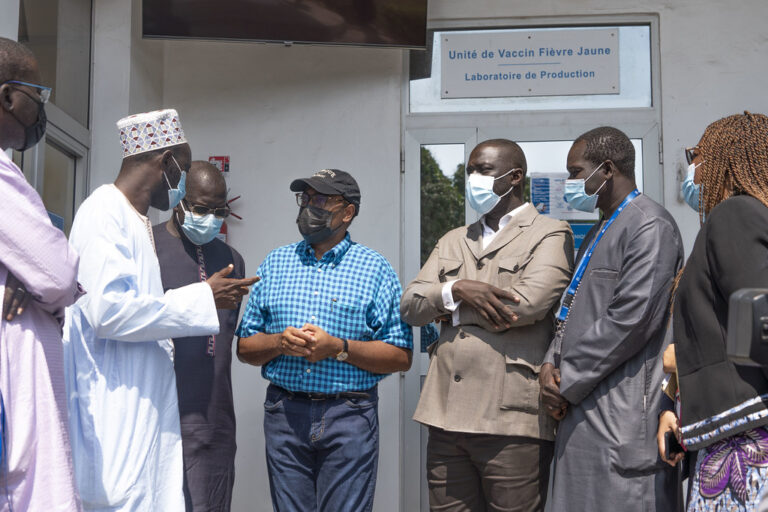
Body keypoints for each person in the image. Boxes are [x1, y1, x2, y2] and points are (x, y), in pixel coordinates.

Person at [63, 109, 258, 511]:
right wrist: (203, 297)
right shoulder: (103, 213)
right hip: (114, 410)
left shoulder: (133, 221)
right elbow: (109, 312)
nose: (182, 182)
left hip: (144, 411)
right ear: (165, 162)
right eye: (183, 170)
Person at [400, 139, 573, 511]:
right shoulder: (454, 239)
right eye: (469, 171)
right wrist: (458, 288)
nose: (473, 178)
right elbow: (410, 306)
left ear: (514, 177)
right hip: (445, 415)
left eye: (483, 170)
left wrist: (451, 308)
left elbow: (526, 305)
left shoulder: (550, 232)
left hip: (510, 419)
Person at [236, 169, 413, 512]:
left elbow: (400, 355)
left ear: (347, 212)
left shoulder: (375, 269)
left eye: (320, 199)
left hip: (349, 414)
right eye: (305, 199)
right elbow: (245, 348)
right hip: (285, 412)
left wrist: (340, 348)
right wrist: (279, 343)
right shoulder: (276, 262)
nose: (308, 207)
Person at [539, 126, 683, 511]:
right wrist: (549, 365)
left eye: (575, 172)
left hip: (619, 418)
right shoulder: (600, 229)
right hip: (583, 411)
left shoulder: (650, 225)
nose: (570, 182)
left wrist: (566, 378)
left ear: (605, 169)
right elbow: (570, 310)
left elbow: (631, 321)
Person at [665, 112, 768, 511]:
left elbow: (759, 322)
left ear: (727, 156)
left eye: (697, 154)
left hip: (748, 440)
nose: (691, 166)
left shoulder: (735, 214)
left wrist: (682, 360)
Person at [0, 37, 82, 511]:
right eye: (39, 94)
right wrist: (32, 279)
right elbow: (57, 273)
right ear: (9, 96)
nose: (40, 109)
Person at [153, 160, 245, 512]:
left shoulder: (233, 260)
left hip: (215, 421)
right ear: (180, 202)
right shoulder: (149, 247)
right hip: (160, 416)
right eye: (201, 209)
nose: (210, 218)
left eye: (219, 210)